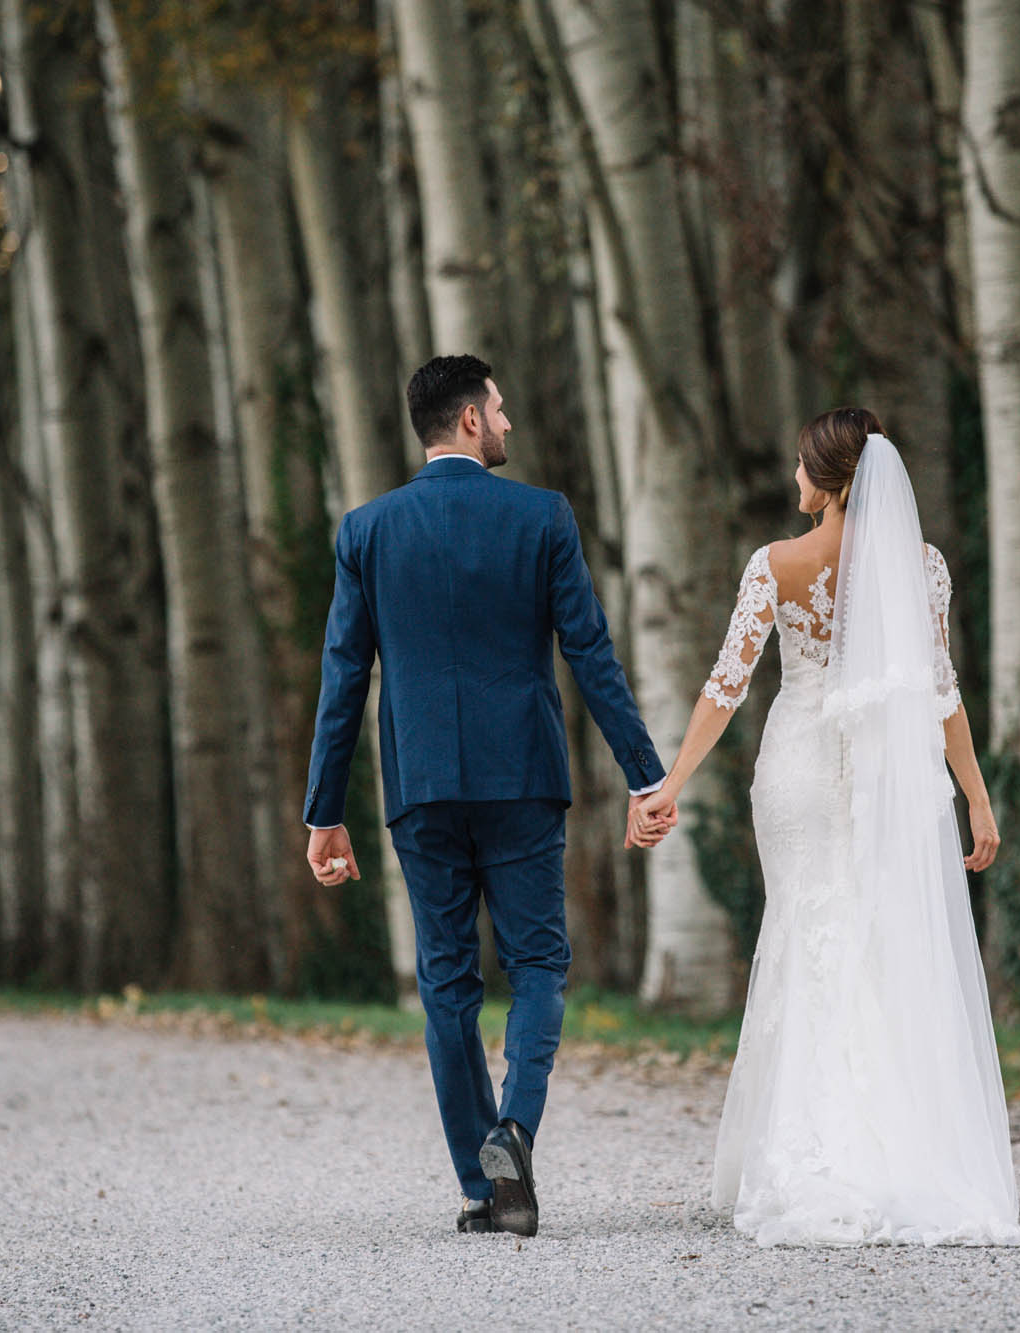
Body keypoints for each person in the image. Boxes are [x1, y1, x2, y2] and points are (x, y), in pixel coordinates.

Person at [634, 406, 1020, 1248]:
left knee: (808, 930)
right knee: (878, 941)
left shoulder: (775, 563)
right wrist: (977, 795)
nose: (793, 480)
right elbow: (940, 692)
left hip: (800, 770)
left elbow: (724, 688)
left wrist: (670, 783)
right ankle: (896, 1143)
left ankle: (809, 1146)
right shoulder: (922, 569)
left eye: (802, 467)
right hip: (884, 778)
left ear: (830, 479)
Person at [302, 354, 672, 1238]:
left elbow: (343, 676)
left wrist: (324, 811)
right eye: (499, 409)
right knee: (539, 965)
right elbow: (590, 653)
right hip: (522, 780)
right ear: (469, 419)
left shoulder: (367, 530)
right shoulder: (541, 516)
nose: (508, 423)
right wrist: (645, 773)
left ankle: (483, 1182)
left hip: (422, 786)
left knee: (447, 984)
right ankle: (516, 1129)